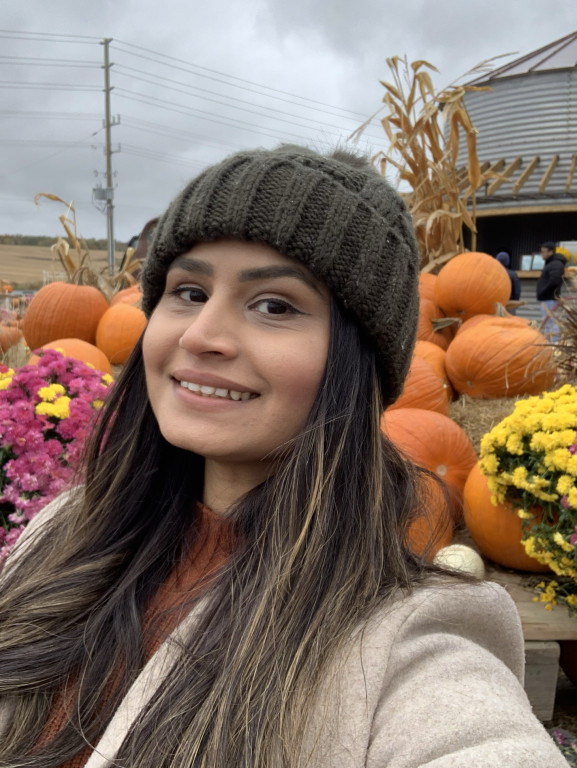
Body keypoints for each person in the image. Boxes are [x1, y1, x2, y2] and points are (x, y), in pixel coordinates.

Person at [0, 146, 567, 768]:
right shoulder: (61, 535)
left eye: (274, 305)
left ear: (356, 360)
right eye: (188, 292)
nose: (199, 335)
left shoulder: (405, 645)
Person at [536, 240, 567, 341]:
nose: (541, 253)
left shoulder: (556, 264)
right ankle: (549, 344)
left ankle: (554, 345)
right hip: (547, 298)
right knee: (548, 323)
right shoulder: (551, 263)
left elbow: (555, 280)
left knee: (551, 323)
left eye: (543, 251)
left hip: (549, 298)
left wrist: (544, 291)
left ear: (550, 252)